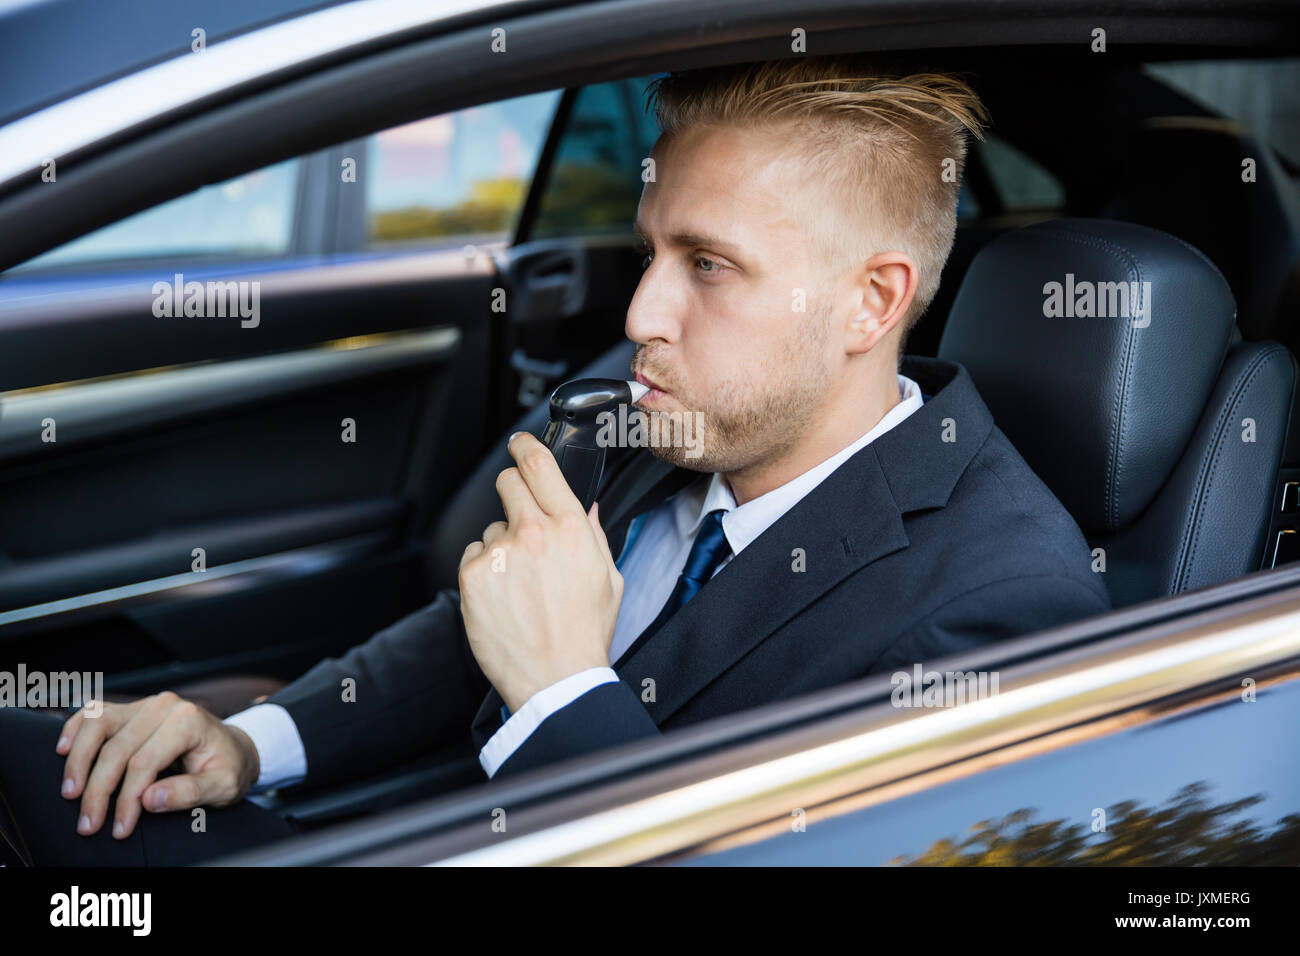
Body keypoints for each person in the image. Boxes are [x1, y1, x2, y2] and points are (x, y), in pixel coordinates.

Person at [0, 56, 1111, 865]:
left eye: (709, 265)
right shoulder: (676, 428)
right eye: (650, 252)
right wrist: (248, 742)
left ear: (871, 300)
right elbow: (483, 631)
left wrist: (564, 694)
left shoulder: (999, 607)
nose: (639, 313)